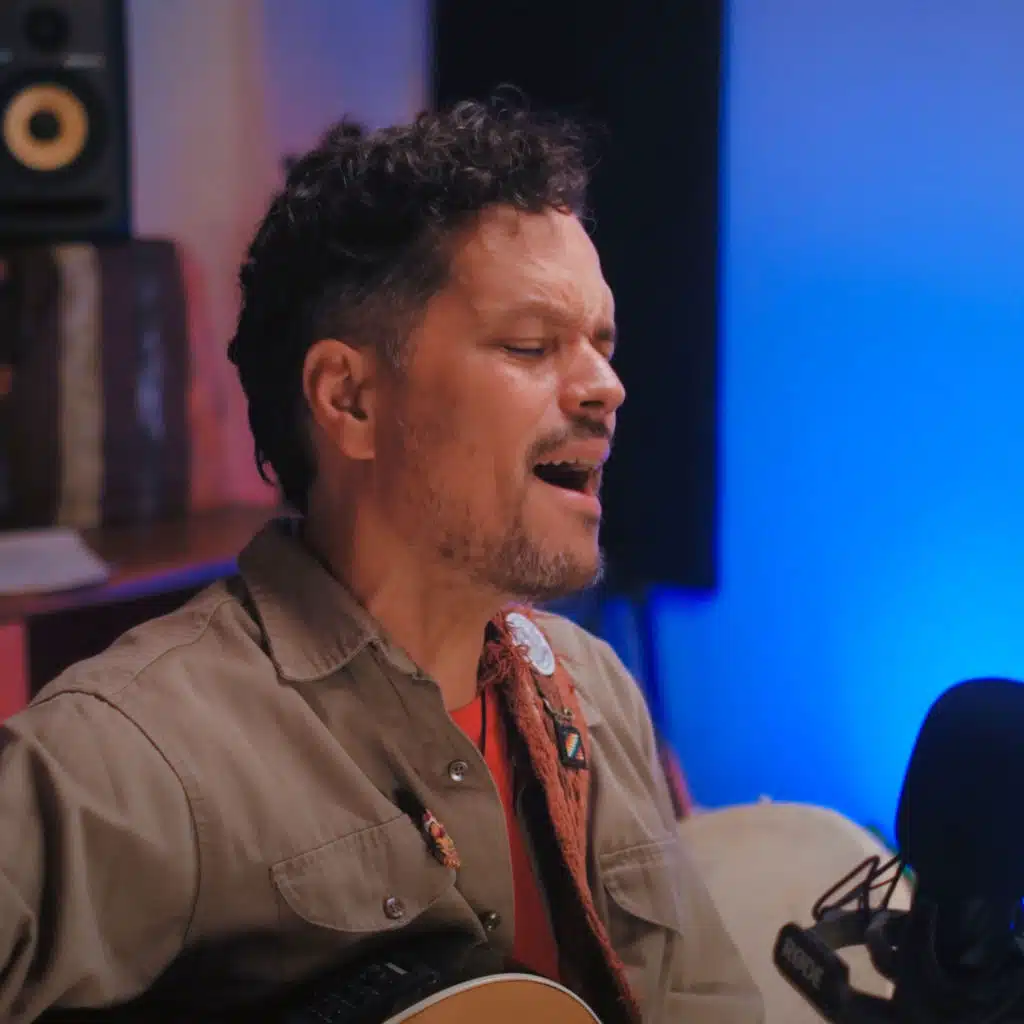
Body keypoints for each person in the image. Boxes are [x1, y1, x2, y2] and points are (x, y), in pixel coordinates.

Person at [0, 99, 763, 1024]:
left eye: (601, 345)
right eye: (531, 345)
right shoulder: (135, 753)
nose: (607, 387)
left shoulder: (597, 693)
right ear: (351, 399)